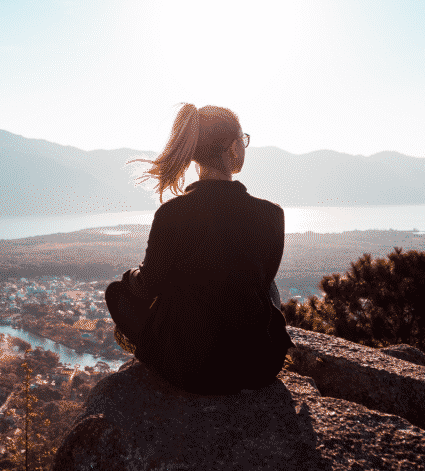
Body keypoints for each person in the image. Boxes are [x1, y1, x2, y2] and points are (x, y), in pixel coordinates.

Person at [106, 103, 293, 395]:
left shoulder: (172, 213)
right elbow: (261, 283)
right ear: (232, 147)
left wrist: (131, 276)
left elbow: (149, 286)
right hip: (259, 365)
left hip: (190, 368)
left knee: (116, 293)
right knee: (269, 287)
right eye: (242, 139)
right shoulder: (272, 214)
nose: (244, 146)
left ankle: (153, 349)